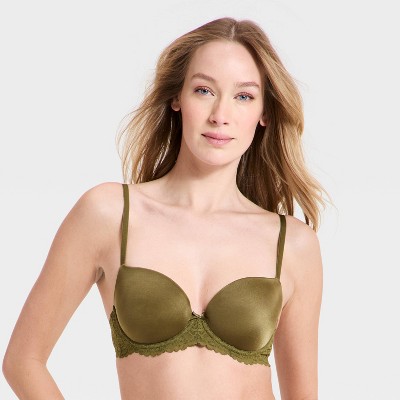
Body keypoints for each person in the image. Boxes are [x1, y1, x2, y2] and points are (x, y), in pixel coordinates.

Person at [2, 17, 326, 399]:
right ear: (177, 98)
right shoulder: (109, 214)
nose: (220, 114)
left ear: (264, 113)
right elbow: (23, 361)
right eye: (204, 90)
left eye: (243, 96)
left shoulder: (293, 244)